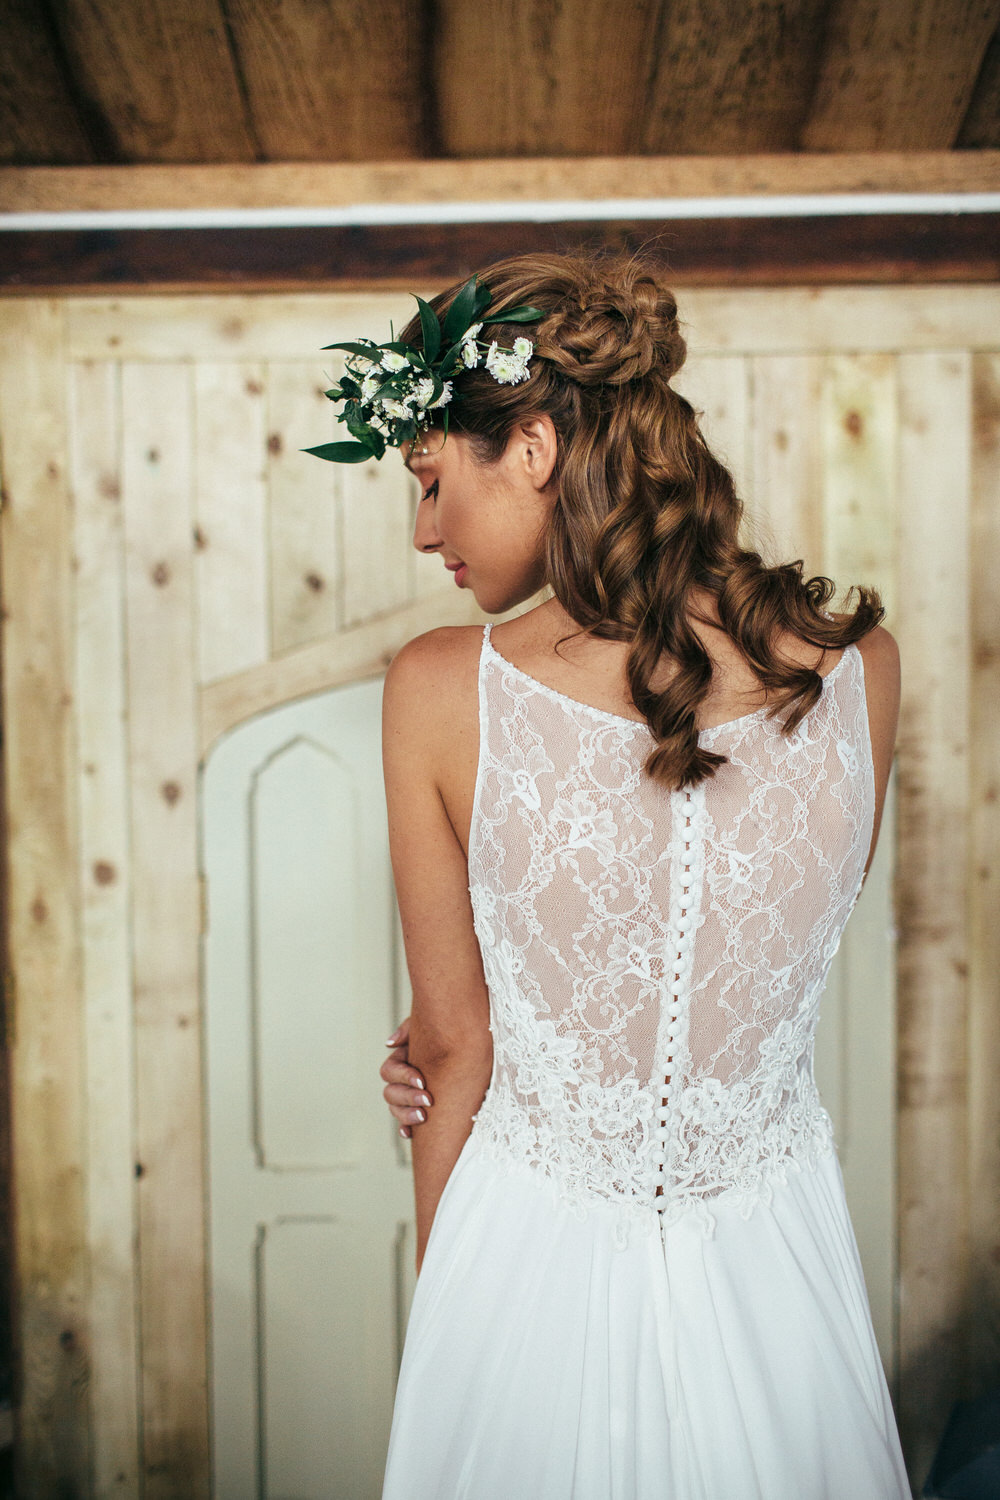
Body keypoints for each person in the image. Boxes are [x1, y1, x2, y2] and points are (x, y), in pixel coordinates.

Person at [312, 251, 908, 1498]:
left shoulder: (441, 688)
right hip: (777, 1273)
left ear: (532, 447)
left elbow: (455, 1054)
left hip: (530, 1266)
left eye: (430, 481)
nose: (424, 531)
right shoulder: (863, 670)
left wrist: (453, 1321)